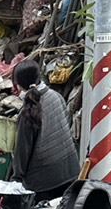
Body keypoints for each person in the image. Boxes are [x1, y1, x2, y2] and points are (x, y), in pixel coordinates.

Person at [11, 61, 80, 201]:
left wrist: (16, 177)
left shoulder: (28, 111)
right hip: (70, 170)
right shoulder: (56, 96)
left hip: (43, 180)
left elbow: (22, 150)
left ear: (19, 85)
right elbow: (67, 124)